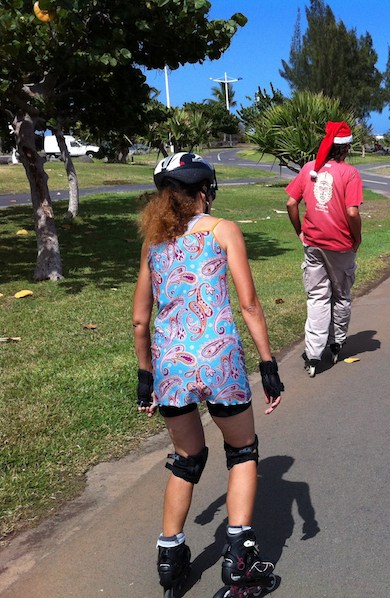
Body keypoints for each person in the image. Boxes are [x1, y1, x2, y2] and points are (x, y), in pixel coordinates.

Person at [132, 152, 285, 595]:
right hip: (220, 364)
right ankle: (238, 560)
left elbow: (141, 320)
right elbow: (250, 304)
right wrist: (269, 365)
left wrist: (146, 378)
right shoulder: (223, 231)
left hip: (171, 366)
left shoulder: (153, 245)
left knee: (187, 458)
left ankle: (170, 555)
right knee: (241, 451)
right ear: (203, 192)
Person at [285, 121, 363, 377]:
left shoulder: (309, 169)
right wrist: (357, 237)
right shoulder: (350, 174)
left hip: (314, 245)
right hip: (340, 246)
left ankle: (314, 354)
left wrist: (300, 231)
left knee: (317, 297)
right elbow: (352, 211)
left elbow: (291, 203)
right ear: (346, 147)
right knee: (340, 295)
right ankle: (337, 341)